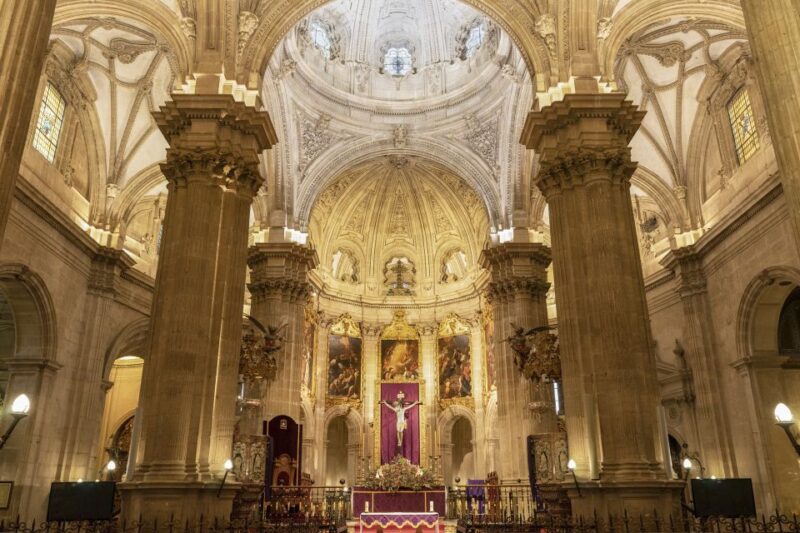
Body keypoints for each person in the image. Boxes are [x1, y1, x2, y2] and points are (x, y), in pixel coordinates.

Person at [380, 390, 421, 457]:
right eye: (398, 405)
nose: (398, 406)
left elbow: (410, 406)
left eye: (399, 405)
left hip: (402, 422)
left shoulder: (403, 409)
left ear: (400, 405)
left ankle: (400, 441)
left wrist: (415, 403)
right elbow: (390, 407)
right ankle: (399, 441)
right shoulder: (396, 409)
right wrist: (385, 403)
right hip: (398, 422)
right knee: (398, 431)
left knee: (401, 431)